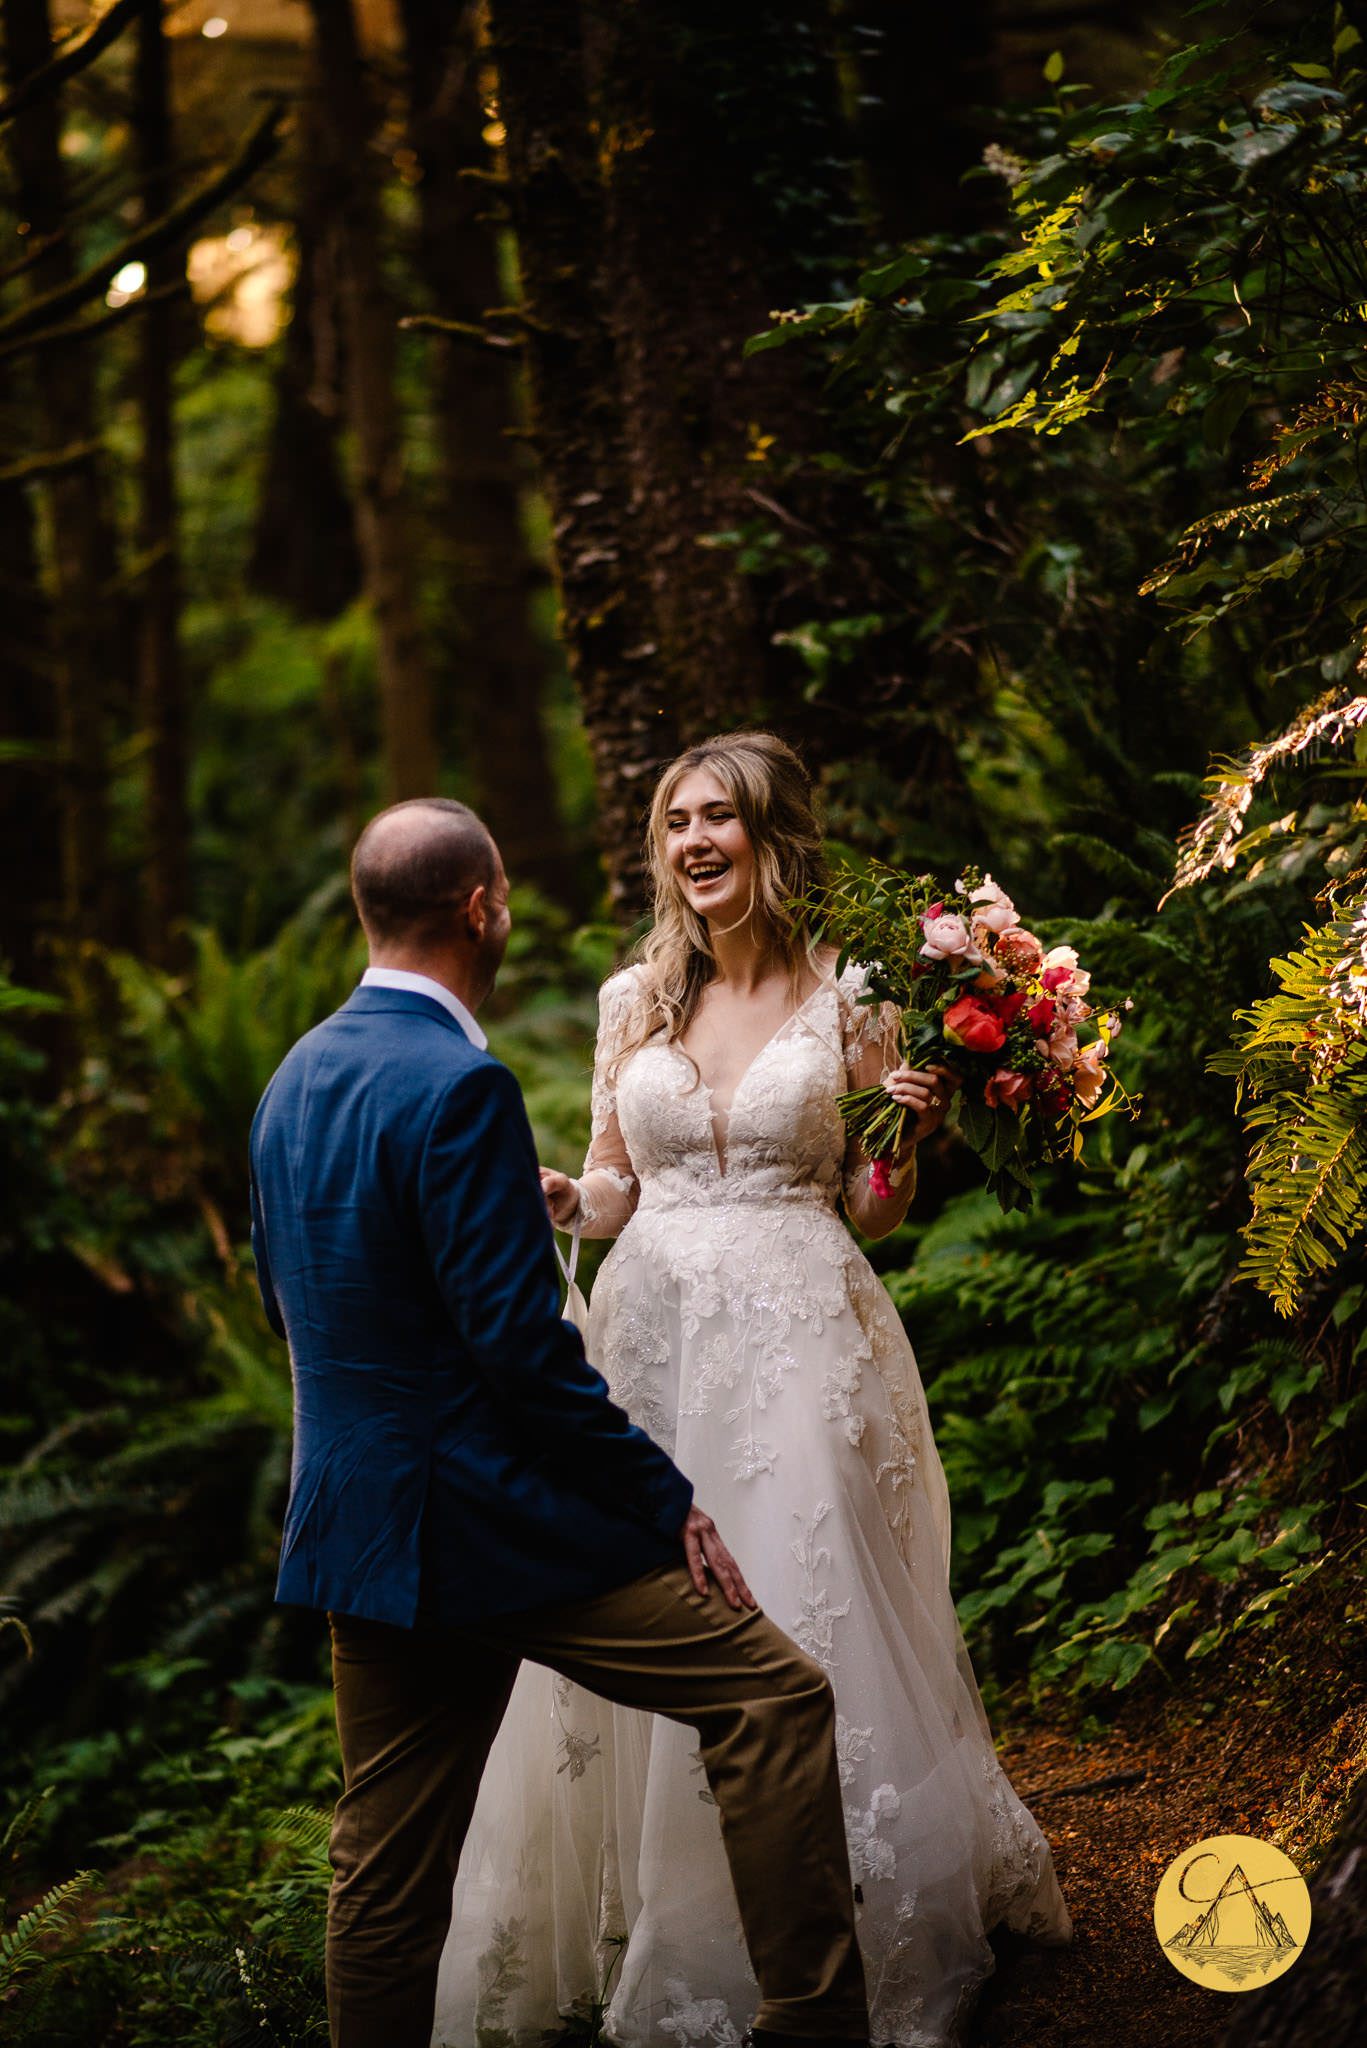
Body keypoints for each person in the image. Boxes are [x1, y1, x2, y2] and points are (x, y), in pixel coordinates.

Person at [434, 737, 1071, 2048]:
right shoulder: (634, 1002)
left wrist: (914, 1132)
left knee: (800, 1584)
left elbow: (873, 1210)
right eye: (674, 821)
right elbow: (615, 1188)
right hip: (651, 1337)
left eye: (717, 815)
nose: (691, 840)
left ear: (772, 835)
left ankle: (854, 1920)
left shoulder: (854, 992)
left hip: (802, 1327)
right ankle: (680, 1905)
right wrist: (565, 1195)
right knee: (655, 1607)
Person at [248, 796, 874, 2048]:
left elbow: (289, 1299)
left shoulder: (293, 1078)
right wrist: (663, 1499)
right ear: (482, 907)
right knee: (769, 1696)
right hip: (489, 1524)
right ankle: (812, 2026)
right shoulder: (461, 1085)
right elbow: (524, 1353)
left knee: (381, 1855)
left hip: (356, 1522)